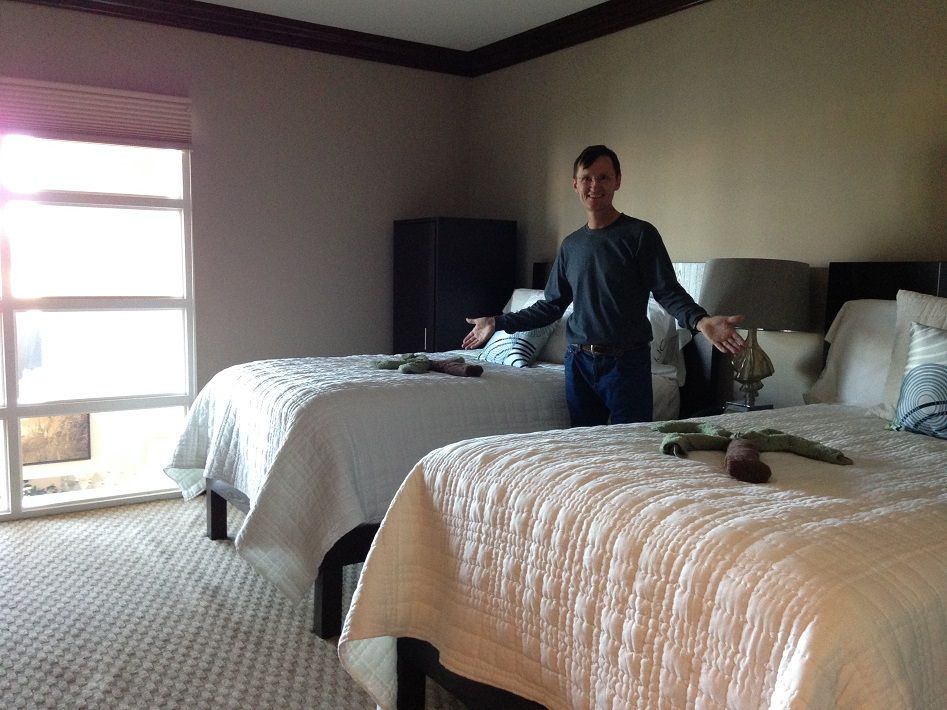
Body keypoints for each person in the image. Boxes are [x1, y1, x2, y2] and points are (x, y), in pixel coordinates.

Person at [462, 145, 745, 426]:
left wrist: (701, 321)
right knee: (585, 445)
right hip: (578, 363)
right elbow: (550, 307)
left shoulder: (639, 235)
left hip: (627, 364)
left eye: (603, 177)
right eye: (586, 178)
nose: (594, 186)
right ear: (575, 184)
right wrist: (497, 322)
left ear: (617, 181)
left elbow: (667, 291)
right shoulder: (571, 246)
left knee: (630, 444)